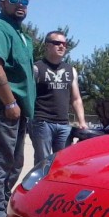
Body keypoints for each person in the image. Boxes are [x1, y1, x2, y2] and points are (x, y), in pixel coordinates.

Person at [0, 0, 35, 217]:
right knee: (1, 160)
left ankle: (3, 203)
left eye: (25, 1)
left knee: (15, 161)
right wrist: (9, 101)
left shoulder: (21, 34)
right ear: (1, 3)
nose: (20, 5)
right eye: (14, 0)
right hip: (3, 107)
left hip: (19, 109)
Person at [29, 30, 87, 165]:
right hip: (41, 122)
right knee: (42, 163)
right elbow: (28, 95)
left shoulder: (70, 70)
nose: (61, 46)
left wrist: (82, 121)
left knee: (63, 163)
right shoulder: (36, 68)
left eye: (64, 44)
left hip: (63, 124)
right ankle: (40, 186)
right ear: (47, 46)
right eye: (57, 43)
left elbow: (76, 98)